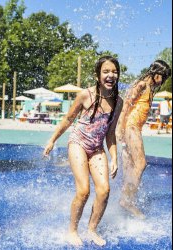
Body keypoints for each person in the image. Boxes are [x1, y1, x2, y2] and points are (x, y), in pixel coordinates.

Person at [43, 56, 123, 246]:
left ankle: (92, 229)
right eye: (106, 71)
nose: (110, 75)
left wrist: (114, 158)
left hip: (97, 148)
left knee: (104, 190)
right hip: (78, 143)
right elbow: (68, 119)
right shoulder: (85, 95)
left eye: (114, 71)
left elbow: (110, 134)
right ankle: (72, 230)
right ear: (97, 75)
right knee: (84, 191)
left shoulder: (118, 102)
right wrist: (52, 140)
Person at [116, 60, 171, 219]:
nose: (163, 81)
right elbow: (126, 105)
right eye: (163, 77)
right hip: (131, 127)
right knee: (141, 164)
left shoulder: (147, 87)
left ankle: (126, 198)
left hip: (134, 128)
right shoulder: (141, 85)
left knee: (129, 167)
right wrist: (120, 127)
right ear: (157, 74)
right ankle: (126, 200)